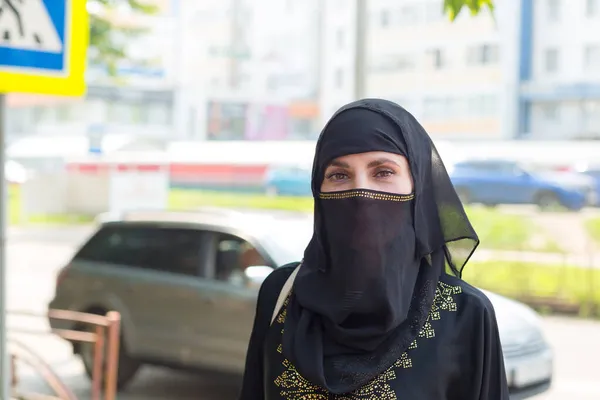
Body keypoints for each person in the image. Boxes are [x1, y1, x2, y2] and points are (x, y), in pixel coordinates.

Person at [238, 99, 509, 399]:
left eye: (383, 172)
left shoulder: (465, 314)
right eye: (339, 175)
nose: (361, 195)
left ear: (417, 186)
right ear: (318, 189)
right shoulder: (281, 293)